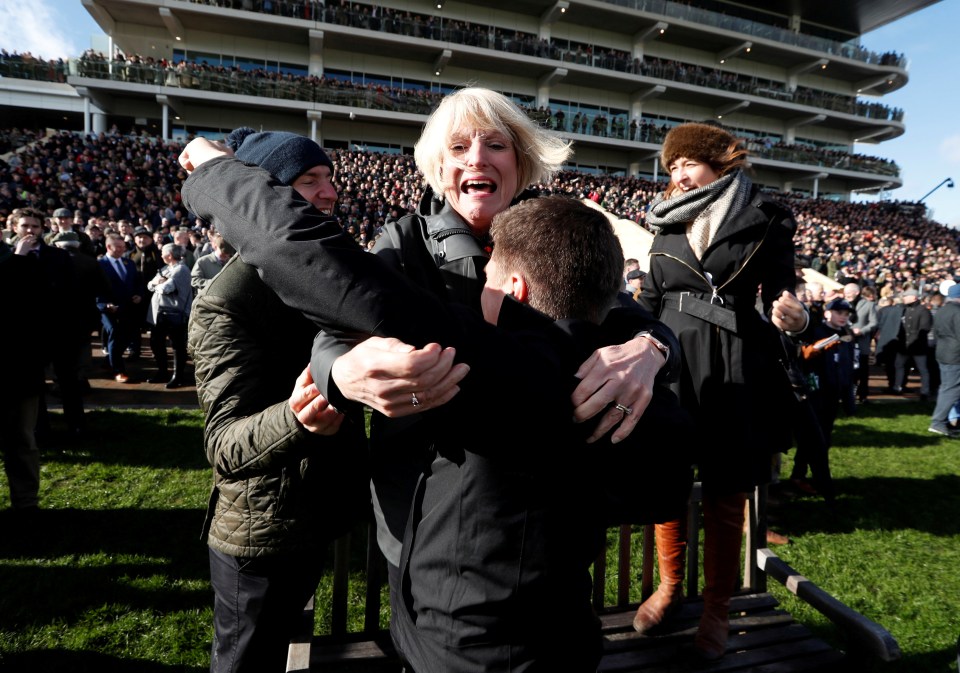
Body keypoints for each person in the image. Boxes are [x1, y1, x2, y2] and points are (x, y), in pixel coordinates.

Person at [178, 123, 683, 673]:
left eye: (495, 146)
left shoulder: (484, 364)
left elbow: (324, 268)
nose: (477, 160)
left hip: (459, 639)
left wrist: (215, 170)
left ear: (514, 291)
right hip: (559, 630)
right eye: (459, 148)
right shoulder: (640, 400)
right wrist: (655, 344)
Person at [189, 128, 376, 673]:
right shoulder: (228, 301)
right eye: (309, 180)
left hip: (313, 520)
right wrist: (297, 418)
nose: (328, 192)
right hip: (259, 541)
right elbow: (224, 446)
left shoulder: (325, 274)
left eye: (330, 179)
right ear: (264, 195)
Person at [632, 121, 810, 661]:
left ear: (719, 160)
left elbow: (784, 288)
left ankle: (717, 608)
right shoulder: (663, 223)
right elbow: (651, 298)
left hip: (739, 364)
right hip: (674, 363)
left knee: (727, 493)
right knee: (667, 481)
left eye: (686, 163)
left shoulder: (768, 215)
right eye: (671, 167)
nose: (678, 175)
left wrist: (795, 318)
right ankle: (667, 588)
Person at [11, 207, 86, 439]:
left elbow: (73, 294)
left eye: (34, 226)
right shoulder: (7, 257)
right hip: (27, 333)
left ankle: (76, 426)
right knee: (34, 385)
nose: (30, 231)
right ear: (15, 228)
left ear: (42, 228)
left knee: (68, 381)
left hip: (59, 331)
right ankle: (40, 428)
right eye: (25, 226)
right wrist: (18, 257)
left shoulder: (58, 256)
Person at [790, 297, 857, 496]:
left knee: (823, 438)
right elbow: (801, 359)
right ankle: (809, 478)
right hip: (814, 394)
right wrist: (814, 351)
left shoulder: (846, 334)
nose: (843, 317)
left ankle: (801, 475)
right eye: (839, 313)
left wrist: (848, 396)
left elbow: (847, 367)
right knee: (812, 439)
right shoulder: (816, 331)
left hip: (833, 394)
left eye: (846, 314)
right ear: (827, 313)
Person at [0, 241, 46, 516]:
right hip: (21, 371)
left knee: (21, 441)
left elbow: (40, 319)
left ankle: (26, 502)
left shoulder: (22, 268)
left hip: (19, 372)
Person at [97, 234, 143, 383]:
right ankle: (118, 370)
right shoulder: (99, 264)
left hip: (127, 307)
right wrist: (105, 304)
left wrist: (138, 295)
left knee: (128, 335)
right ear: (109, 247)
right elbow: (93, 287)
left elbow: (137, 282)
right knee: (115, 333)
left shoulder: (128, 263)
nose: (122, 250)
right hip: (107, 308)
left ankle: (110, 359)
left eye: (124, 247)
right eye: (119, 247)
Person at [146, 243, 192, 388]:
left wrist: (157, 284)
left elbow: (166, 288)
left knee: (177, 346)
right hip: (160, 314)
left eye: (163, 253)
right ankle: (162, 372)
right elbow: (149, 285)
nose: (161, 255)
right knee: (156, 342)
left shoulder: (181, 269)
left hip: (175, 314)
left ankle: (177, 377)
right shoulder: (166, 269)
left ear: (170, 255)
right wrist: (157, 284)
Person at [929, 283, 960, 437]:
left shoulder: (942, 310)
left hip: (943, 352)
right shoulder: (957, 311)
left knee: (948, 388)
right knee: (951, 389)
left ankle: (947, 421)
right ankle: (938, 422)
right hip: (955, 355)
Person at [894, 288, 932, 400]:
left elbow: (925, 328)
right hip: (903, 345)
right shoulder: (904, 309)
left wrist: (913, 339)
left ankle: (925, 391)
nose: (904, 298)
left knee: (922, 369)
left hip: (918, 346)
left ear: (914, 297)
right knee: (899, 365)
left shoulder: (923, 310)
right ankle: (897, 387)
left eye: (906, 296)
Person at [849, 283, 878, 403]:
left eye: (849, 292)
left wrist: (862, 331)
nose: (846, 295)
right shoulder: (842, 304)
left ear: (856, 292)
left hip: (862, 342)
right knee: (849, 370)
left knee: (863, 371)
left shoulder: (869, 305)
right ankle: (850, 395)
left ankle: (863, 395)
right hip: (847, 342)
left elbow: (874, 322)